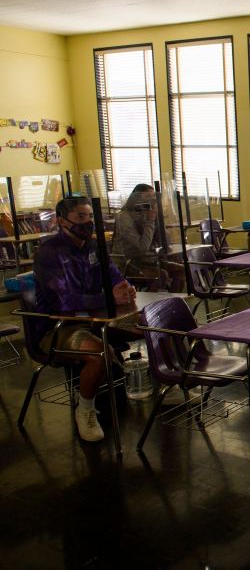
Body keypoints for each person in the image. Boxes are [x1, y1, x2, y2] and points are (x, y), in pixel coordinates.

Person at [32, 197, 137, 442]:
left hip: (96, 320)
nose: (88, 222)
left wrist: (125, 288)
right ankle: (86, 410)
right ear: (61, 221)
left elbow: (114, 276)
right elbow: (63, 301)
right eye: (81, 217)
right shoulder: (49, 253)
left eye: (90, 216)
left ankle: (174, 383)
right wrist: (107, 298)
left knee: (154, 326)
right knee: (98, 353)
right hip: (58, 327)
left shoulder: (94, 246)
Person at [111, 184, 184, 291]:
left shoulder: (147, 213)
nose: (151, 201)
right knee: (161, 275)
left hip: (148, 261)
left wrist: (158, 218)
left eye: (153, 197)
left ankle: (171, 300)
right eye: (147, 197)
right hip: (128, 263)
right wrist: (150, 220)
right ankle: (152, 306)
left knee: (181, 270)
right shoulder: (124, 217)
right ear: (135, 198)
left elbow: (166, 243)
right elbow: (142, 247)